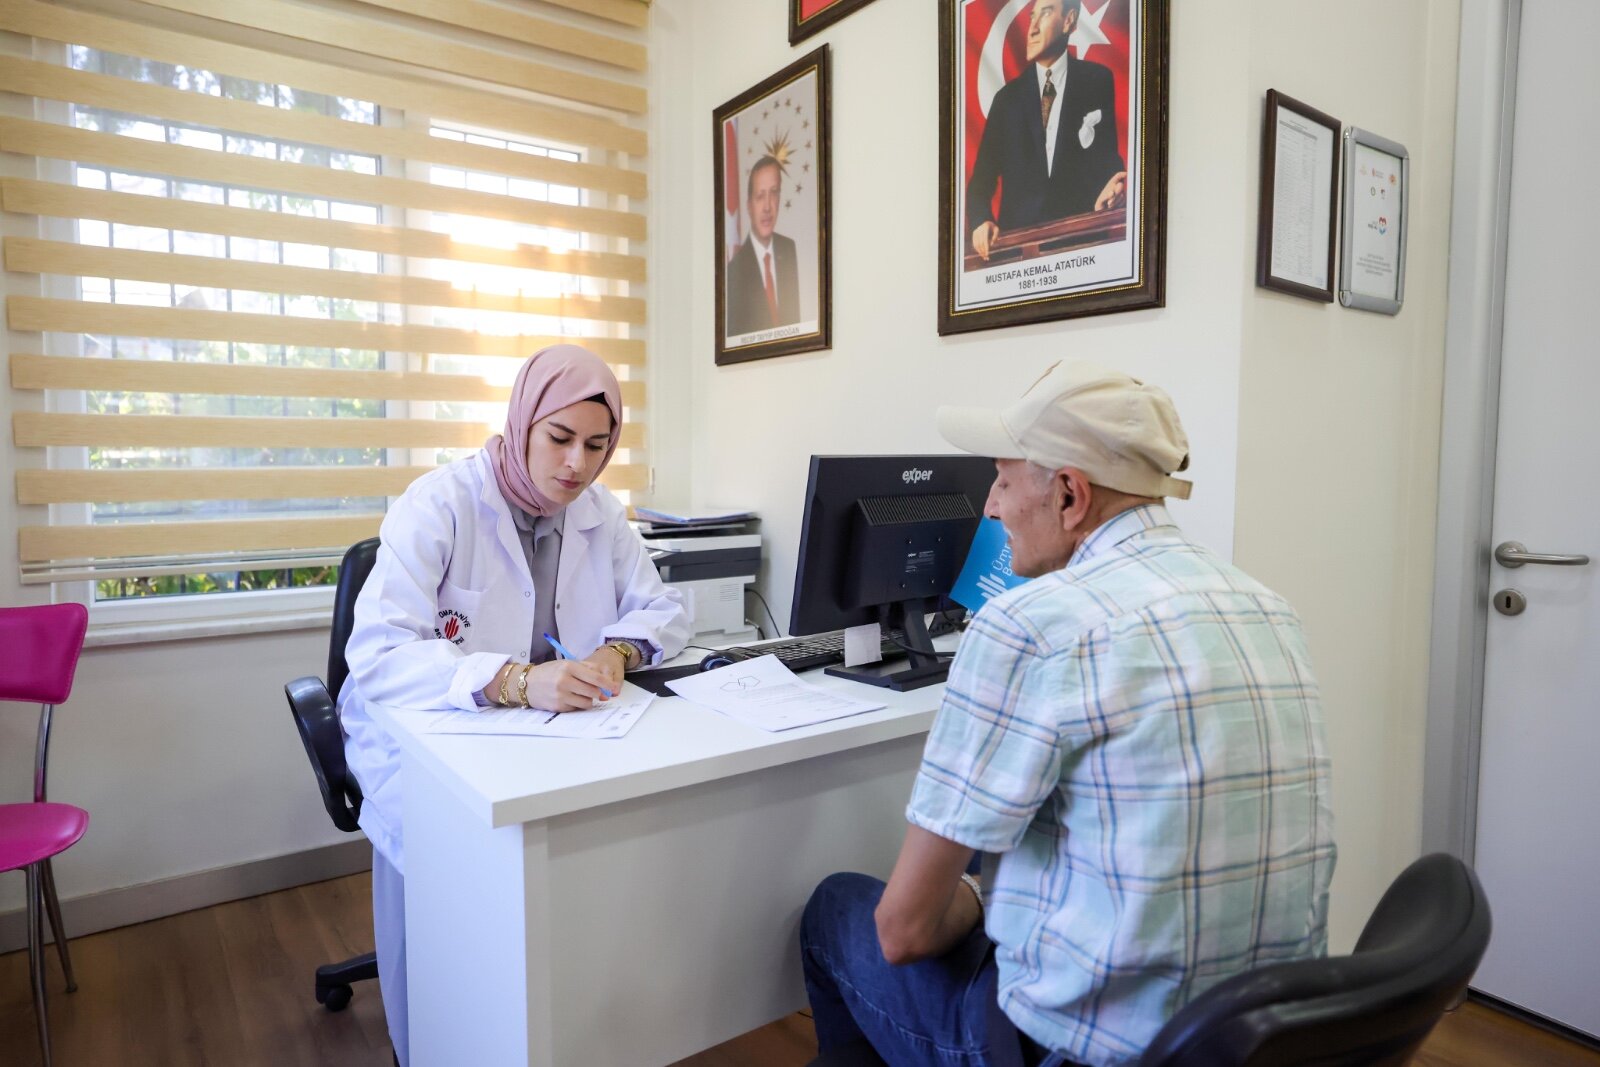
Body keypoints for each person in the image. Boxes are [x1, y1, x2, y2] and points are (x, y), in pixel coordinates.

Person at [801, 361, 1336, 1066]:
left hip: (1083, 1050)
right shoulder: (1267, 607)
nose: (989, 508)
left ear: (1069, 494)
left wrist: (979, 894)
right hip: (1258, 1038)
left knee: (836, 908)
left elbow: (905, 933)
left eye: (1001, 480)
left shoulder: (1031, 624)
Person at [338, 344, 690, 1066]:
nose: (577, 464)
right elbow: (377, 651)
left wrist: (616, 653)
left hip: (551, 735)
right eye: (559, 438)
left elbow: (663, 609)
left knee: (572, 881)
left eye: (597, 445)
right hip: (429, 731)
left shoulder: (599, 515)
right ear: (522, 421)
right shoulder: (440, 504)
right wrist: (516, 681)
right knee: (450, 928)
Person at [967, 0, 1129, 262]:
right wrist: (980, 220)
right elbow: (979, 184)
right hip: (1017, 253)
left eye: (1045, 14)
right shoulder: (1006, 100)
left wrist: (1112, 189)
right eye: (1032, 17)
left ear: (1069, 21)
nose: (1031, 28)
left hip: (1081, 247)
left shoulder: (1097, 81)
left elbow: (1107, 158)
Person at [725, 154, 801, 336]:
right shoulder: (734, 270)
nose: (767, 207)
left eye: (773, 193)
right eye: (760, 196)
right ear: (749, 206)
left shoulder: (788, 249)